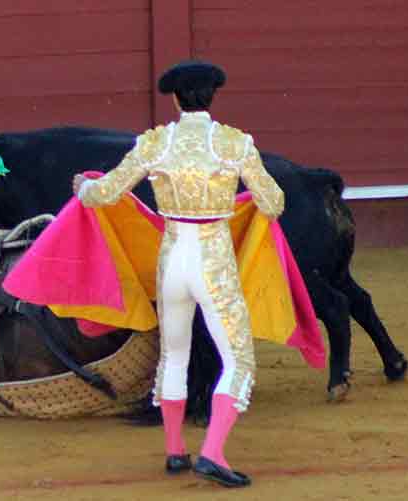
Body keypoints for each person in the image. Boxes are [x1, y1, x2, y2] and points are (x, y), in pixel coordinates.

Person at [73, 61, 284, 488]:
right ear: (212, 97)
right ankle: (213, 451)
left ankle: (174, 450)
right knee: (239, 359)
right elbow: (274, 202)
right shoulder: (233, 144)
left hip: (172, 260)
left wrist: (81, 188)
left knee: (174, 355)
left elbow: (106, 193)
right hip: (214, 260)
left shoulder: (156, 144)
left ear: (174, 99)